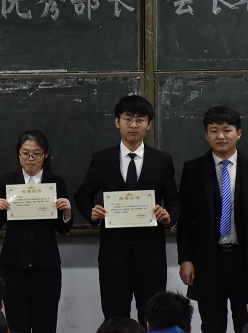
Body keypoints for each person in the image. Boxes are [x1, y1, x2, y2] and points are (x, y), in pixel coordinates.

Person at [74, 95, 181, 324]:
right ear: (117, 122)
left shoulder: (161, 160)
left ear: (149, 124)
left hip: (150, 256)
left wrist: (168, 216)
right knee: (115, 319)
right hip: (113, 257)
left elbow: (175, 200)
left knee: (153, 319)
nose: (133, 125)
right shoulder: (102, 159)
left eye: (140, 120)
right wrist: (91, 212)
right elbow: (82, 195)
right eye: (128, 119)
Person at [177, 105, 248, 333]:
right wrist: (186, 259)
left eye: (226, 130)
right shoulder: (193, 169)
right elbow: (185, 220)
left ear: (238, 133)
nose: (220, 136)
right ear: (206, 135)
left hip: (247, 262)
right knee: (212, 326)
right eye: (214, 130)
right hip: (207, 262)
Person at [0, 130, 73, 333]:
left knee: (46, 325)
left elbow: (63, 228)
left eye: (36, 153)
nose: (30, 158)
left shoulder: (56, 182)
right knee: (16, 325)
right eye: (25, 153)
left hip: (46, 267)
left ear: (45, 154)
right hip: (13, 267)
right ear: (18, 154)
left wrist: (67, 213)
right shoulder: (7, 181)